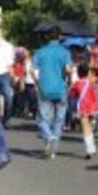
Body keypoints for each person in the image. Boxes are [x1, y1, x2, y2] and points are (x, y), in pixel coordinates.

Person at [32, 27, 72, 158]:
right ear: (60, 37)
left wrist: (36, 82)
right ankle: (53, 150)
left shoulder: (40, 52)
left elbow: (32, 70)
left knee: (43, 119)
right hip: (60, 88)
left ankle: (49, 137)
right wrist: (68, 80)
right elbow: (68, 69)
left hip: (44, 88)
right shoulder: (65, 52)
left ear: (47, 37)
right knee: (59, 119)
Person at [69, 63, 98, 159]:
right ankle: (92, 147)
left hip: (82, 107)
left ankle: (89, 149)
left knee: (85, 128)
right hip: (92, 107)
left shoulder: (77, 83)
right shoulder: (91, 83)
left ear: (78, 73)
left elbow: (71, 95)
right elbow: (95, 95)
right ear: (88, 73)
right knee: (89, 127)